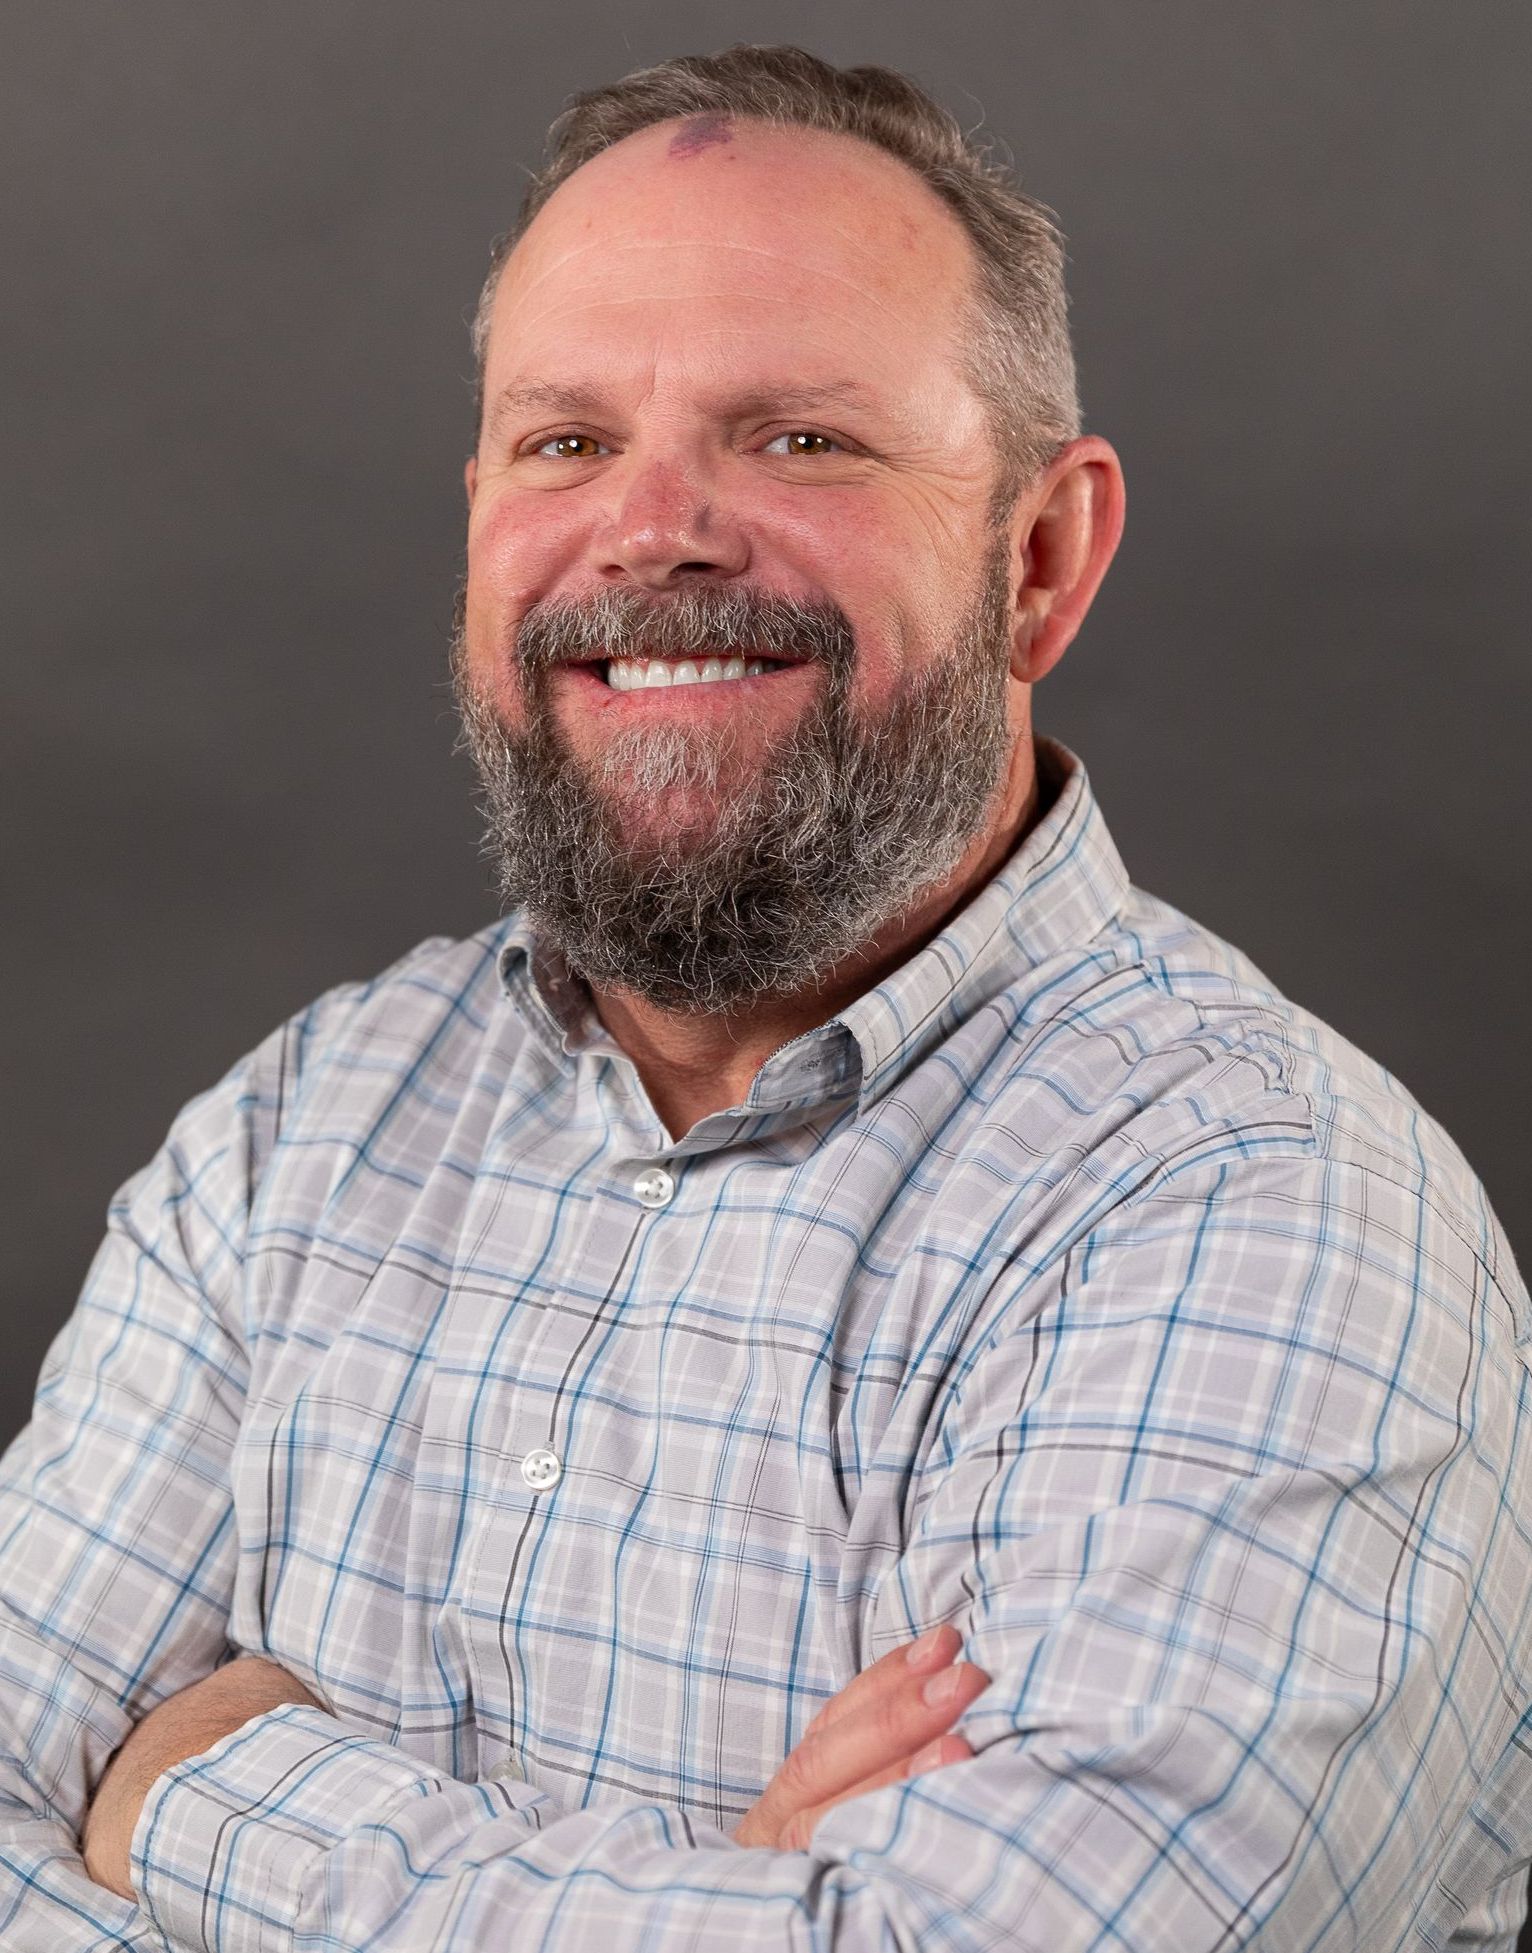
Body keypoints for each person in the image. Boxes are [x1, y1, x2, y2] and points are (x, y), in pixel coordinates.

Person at [3, 42, 1527, 1952]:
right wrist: (736, 1895)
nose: (653, 530)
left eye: (798, 437)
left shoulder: (1268, 1214)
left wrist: (204, 1799)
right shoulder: (307, 1128)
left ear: (1039, 556)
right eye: (567, 440)